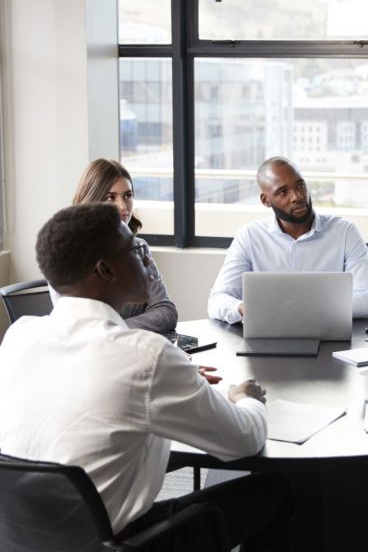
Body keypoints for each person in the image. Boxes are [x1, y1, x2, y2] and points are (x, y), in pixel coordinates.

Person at [0, 203, 295, 550]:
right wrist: (245, 398)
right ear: (105, 270)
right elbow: (244, 440)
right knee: (276, 490)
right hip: (123, 543)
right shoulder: (146, 355)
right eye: (135, 249)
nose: (145, 259)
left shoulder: (20, 335)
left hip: (22, 539)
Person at [208, 157, 368, 323]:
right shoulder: (250, 237)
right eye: (283, 192)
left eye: (300, 185)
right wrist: (244, 308)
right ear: (265, 200)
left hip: (330, 339)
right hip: (268, 339)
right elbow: (217, 301)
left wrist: (295, 308)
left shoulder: (344, 232)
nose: (297, 196)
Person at [49, 158, 178, 334]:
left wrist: (116, 332)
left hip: (134, 349)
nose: (123, 206)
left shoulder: (139, 248)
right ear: (91, 200)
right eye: (111, 197)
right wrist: (125, 331)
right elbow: (80, 328)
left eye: (128, 195)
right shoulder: (65, 255)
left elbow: (166, 311)